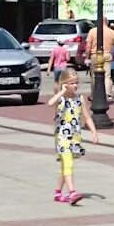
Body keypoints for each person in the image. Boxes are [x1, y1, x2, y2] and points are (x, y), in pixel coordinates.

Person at [48, 70, 94, 205]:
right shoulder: (60, 99)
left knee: (64, 165)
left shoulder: (79, 99)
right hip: (62, 136)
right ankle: (72, 192)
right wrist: (61, 92)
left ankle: (58, 192)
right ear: (65, 84)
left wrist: (94, 132)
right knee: (68, 163)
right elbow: (50, 103)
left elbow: (87, 117)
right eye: (71, 83)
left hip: (74, 137)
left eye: (76, 83)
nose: (75, 86)